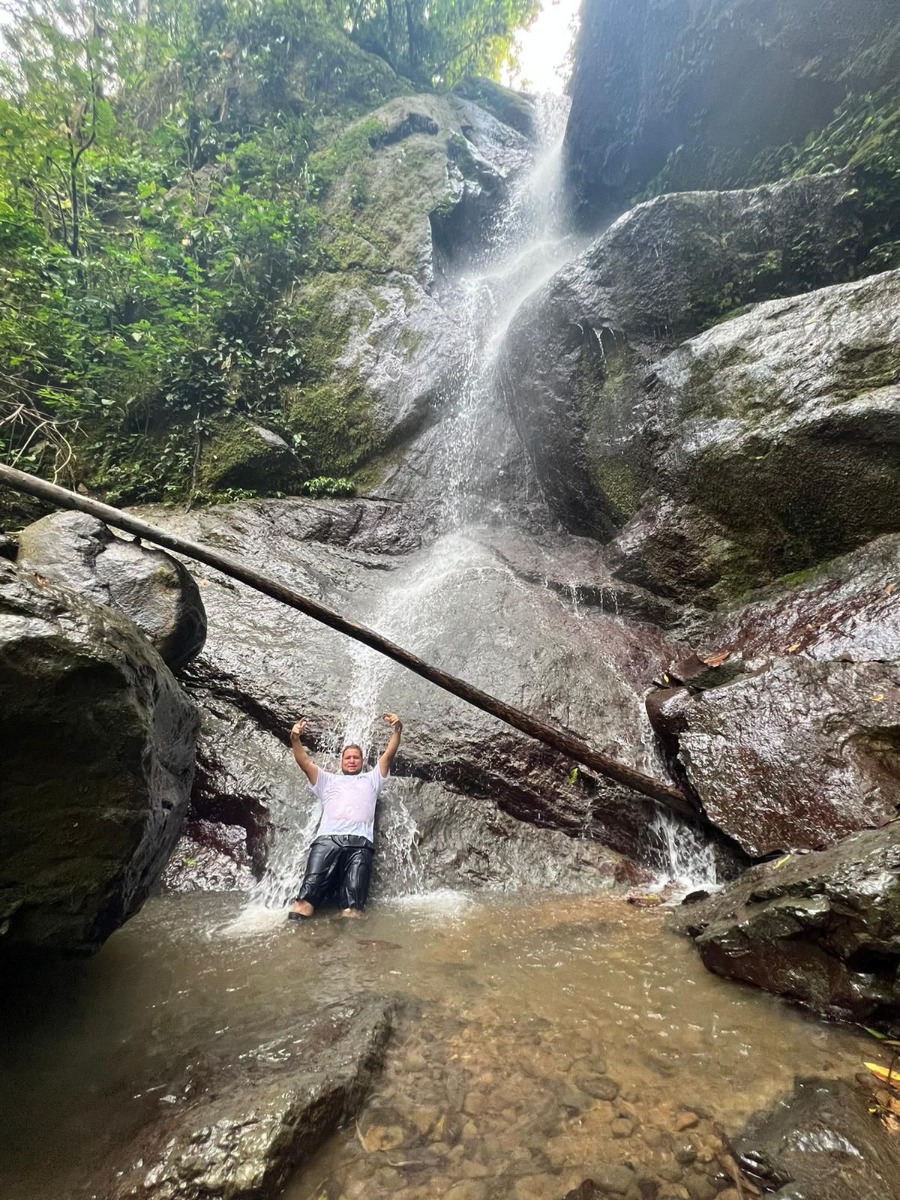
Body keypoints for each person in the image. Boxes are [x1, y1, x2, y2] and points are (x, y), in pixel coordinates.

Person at [287, 712, 402, 920]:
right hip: (327, 841)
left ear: (362, 761)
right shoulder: (326, 780)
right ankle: (294, 937)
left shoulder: (372, 779)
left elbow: (388, 755)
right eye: (347, 757)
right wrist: (295, 739)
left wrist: (397, 730)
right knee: (304, 901)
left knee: (353, 908)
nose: (351, 761)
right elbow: (304, 762)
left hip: (360, 845)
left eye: (356, 758)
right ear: (341, 761)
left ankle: (349, 940)